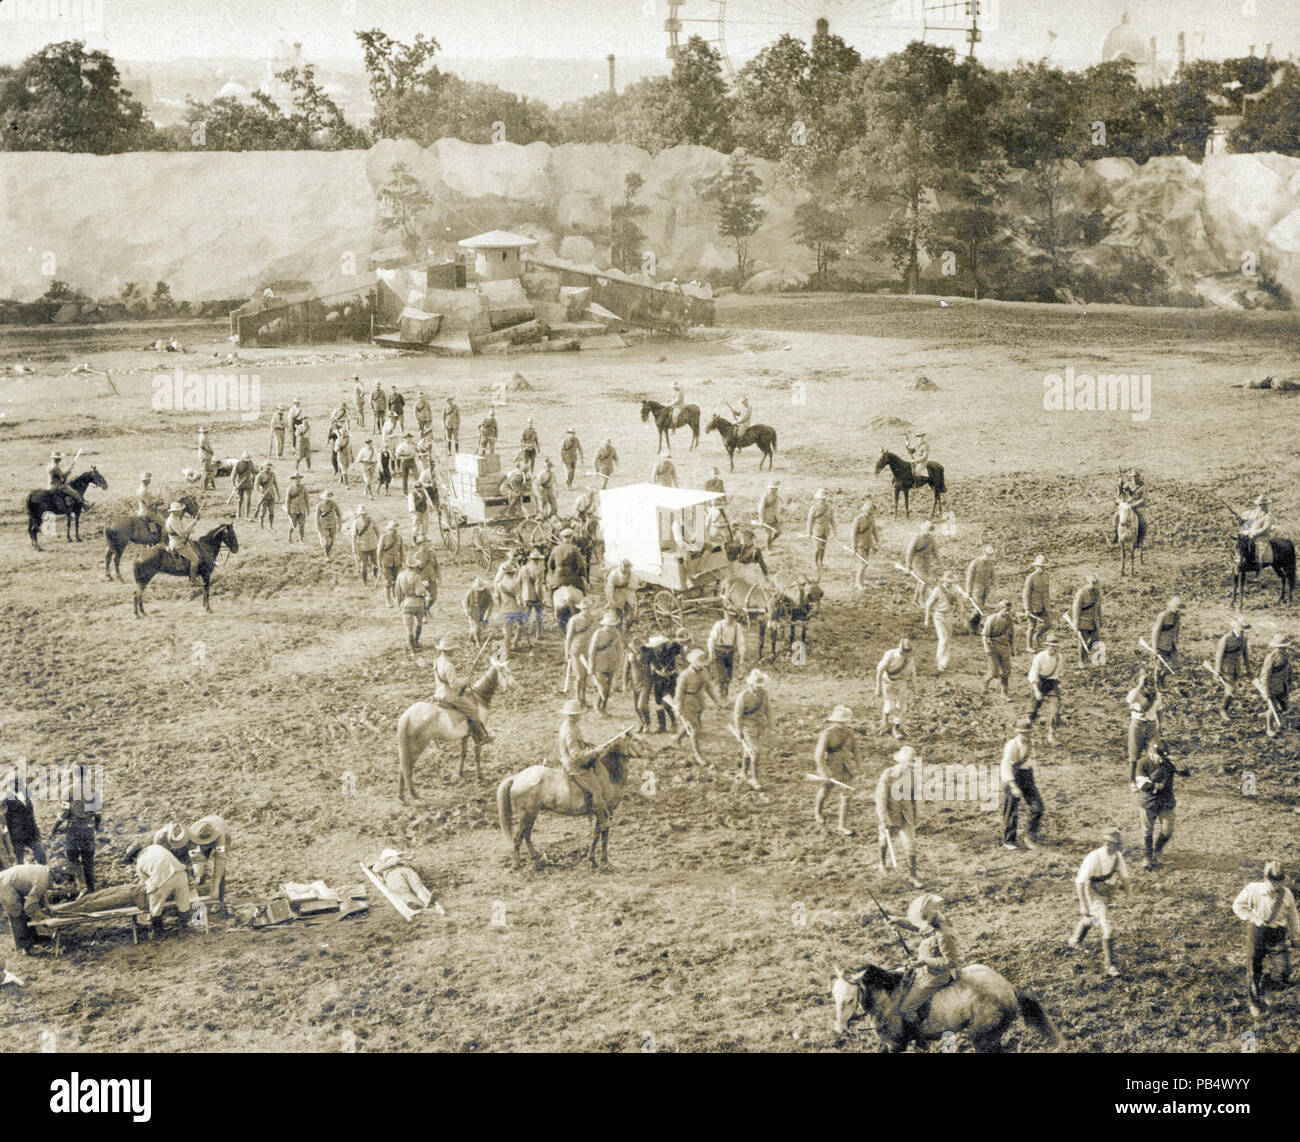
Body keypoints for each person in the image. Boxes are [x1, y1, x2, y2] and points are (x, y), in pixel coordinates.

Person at [1233, 859, 1299, 1016]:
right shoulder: (1253, 890)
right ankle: (1255, 1003)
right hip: (1258, 932)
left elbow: (1293, 917)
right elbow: (1237, 905)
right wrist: (1254, 917)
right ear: (1265, 879)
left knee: (1283, 971)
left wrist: (1295, 935)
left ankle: (1267, 986)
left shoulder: (1286, 894)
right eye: (1273, 881)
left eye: (1279, 881)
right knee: (1254, 967)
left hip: (1278, 933)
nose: (1276, 885)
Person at [1069, 827, 1131, 977]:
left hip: (1107, 892)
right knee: (1107, 926)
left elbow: (1124, 876)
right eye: (1116, 844)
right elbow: (1080, 882)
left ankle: (1075, 940)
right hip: (1093, 892)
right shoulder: (1093, 857)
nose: (1119, 847)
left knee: (1094, 918)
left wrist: (1129, 894)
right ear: (1107, 843)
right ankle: (1110, 965)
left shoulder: (1117, 856)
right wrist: (1083, 904)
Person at [893, 894, 960, 1033]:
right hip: (922, 970)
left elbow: (950, 961)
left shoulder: (944, 934)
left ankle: (922, 1036)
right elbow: (917, 926)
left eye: (924, 919)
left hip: (935, 976)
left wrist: (924, 961)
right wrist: (897, 921)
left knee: (906, 1009)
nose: (923, 923)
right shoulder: (932, 924)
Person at [1135, 743, 1190, 870]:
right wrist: (1156, 786)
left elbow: (1185, 774)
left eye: (1162, 756)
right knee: (1147, 831)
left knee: (1167, 830)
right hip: (1149, 802)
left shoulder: (1167, 763)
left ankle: (1158, 850)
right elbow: (1142, 784)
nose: (1160, 759)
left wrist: (1181, 765)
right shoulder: (1143, 763)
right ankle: (1148, 856)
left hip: (1166, 801)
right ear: (1150, 753)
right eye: (1158, 756)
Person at [876, 746, 923, 887]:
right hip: (890, 815)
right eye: (905, 765)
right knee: (884, 839)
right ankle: (882, 863)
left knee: (911, 844)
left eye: (910, 766)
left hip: (906, 816)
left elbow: (914, 798)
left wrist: (914, 815)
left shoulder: (913, 777)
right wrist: (883, 819)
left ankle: (912, 875)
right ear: (899, 763)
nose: (907, 769)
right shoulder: (888, 775)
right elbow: (880, 798)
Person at [558, 700, 611, 821]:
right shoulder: (570, 731)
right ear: (572, 716)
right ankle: (602, 820)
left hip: (571, 759)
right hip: (574, 765)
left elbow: (577, 744)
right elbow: (576, 755)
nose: (579, 716)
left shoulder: (570, 725)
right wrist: (595, 751)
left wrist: (587, 744)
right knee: (597, 789)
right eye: (577, 714)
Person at [433, 639, 492, 743]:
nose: (455, 652)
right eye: (453, 650)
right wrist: (465, 681)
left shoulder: (438, 661)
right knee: (474, 711)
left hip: (439, 692)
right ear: (448, 651)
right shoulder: (448, 665)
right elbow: (454, 684)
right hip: (450, 695)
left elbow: (445, 677)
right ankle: (481, 737)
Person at [50, 774, 100, 893]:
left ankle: (82, 886)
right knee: (88, 860)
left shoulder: (68, 790)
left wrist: (54, 829)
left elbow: (65, 813)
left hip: (74, 829)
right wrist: (96, 827)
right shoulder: (94, 791)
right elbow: (98, 815)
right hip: (88, 829)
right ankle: (91, 888)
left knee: (72, 859)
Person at [999, 718, 1042, 851]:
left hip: (1027, 777)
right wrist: (1013, 785)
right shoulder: (1012, 744)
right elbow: (1005, 765)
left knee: (1037, 808)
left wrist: (1032, 779)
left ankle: (1028, 837)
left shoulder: (1031, 744)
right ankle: (1009, 840)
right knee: (1011, 810)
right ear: (1017, 732)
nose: (1026, 735)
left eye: (1028, 732)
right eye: (1023, 732)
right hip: (1013, 777)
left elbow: (1031, 762)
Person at [813, 706, 857, 836]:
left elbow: (855, 750)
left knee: (847, 795)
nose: (842, 724)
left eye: (844, 721)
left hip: (847, 767)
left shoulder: (850, 733)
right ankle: (818, 811)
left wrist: (858, 765)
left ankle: (842, 825)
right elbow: (819, 755)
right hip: (831, 767)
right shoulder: (827, 734)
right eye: (839, 721)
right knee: (826, 790)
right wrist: (824, 771)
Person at [672, 648, 720, 765]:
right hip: (686, 702)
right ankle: (697, 754)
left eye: (703, 663)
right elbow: (679, 693)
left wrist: (717, 701)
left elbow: (709, 687)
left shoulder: (704, 672)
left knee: (694, 724)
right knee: (695, 729)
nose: (701, 665)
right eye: (699, 663)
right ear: (692, 662)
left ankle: (676, 739)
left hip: (698, 701)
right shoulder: (685, 675)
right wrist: (678, 707)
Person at [0, 863, 59, 954]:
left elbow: (40, 893)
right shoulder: (43, 880)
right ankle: (27, 947)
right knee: (16, 913)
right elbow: (29, 906)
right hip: (4, 884)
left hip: (9, 881)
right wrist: (41, 917)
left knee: (21, 911)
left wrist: (47, 907)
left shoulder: (45, 872)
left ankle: (33, 937)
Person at [135, 843, 194, 924]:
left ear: (134, 858)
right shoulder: (156, 847)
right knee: (183, 904)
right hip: (180, 873)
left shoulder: (138, 864)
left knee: (155, 907)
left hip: (163, 879)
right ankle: (184, 928)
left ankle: (158, 933)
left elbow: (148, 883)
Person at [731, 669, 771, 790]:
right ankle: (754, 778)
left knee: (748, 750)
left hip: (759, 726)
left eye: (761, 685)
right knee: (755, 752)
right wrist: (739, 731)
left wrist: (771, 725)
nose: (759, 688)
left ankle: (743, 772)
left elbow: (768, 710)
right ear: (751, 684)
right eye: (757, 686)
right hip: (747, 727)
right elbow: (738, 714)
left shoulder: (764, 694)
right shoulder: (743, 696)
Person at [1125, 670, 1162, 786]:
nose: (1152, 687)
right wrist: (1140, 684)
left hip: (1152, 726)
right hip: (1138, 725)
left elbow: (1160, 711)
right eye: (1149, 684)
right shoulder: (1135, 693)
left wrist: (1160, 725)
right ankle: (1132, 781)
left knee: (1153, 752)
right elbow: (1130, 700)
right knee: (1134, 754)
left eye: (1153, 684)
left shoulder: (1157, 695)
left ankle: (1147, 780)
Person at [875, 638, 917, 739]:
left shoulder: (910, 658)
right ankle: (885, 723)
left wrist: (914, 687)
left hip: (901, 682)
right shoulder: (890, 655)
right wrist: (878, 686)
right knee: (889, 704)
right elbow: (880, 670)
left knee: (901, 707)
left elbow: (913, 673)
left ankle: (897, 727)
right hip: (888, 681)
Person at [1212, 616, 1252, 722]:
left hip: (1236, 668)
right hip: (1225, 668)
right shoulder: (1226, 639)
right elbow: (1219, 655)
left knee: (1232, 690)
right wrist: (1217, 671)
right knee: (1231, 689)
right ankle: (1223, 710)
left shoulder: (1243, 639)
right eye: (1242, 629)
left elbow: (1245, 655)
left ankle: (1225, 709)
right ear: (1237, 627)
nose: (1244, 631)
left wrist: (1249, 670)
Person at [1027, 633, 1063, 745]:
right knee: (1033, 709)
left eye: (1056, 646)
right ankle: (1026, 733)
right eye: (1051, 646)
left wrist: (1058, 686)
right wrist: (1037, 691)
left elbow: (1057, 674)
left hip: (1051, 684)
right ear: (1047, 646)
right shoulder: (1040, 657)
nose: (1054, 649)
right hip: (1039, 683)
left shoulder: (1059, 658)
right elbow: (1033, 674)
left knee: (1055, 709)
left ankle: (1051, 735)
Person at [187, 815, 231, 904]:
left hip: (222, 834)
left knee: (220, 870)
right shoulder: (192, 834)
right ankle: (199, 890)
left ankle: (219, 898)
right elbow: (196, 858)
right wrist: (198, 876)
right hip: (202, 838)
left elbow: (220, 860)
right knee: (197, 869)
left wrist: (216, 885)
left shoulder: (220, 835)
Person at [586, 612, 624, 713]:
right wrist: (591, 665)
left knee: (608, 687)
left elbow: (620, 649)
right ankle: (597, 706)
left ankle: (604, 706)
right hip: (599, 664)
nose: (611, 627)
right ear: (605, 624)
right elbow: (592, 651)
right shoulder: (598, 633)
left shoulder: (616, 633)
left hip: (611, 664)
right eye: (609, 625)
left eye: (613, 625)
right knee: (602, 688)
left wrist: (620, 662)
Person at [565, 599, 599, 707]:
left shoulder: (593, 620)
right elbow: (568, 637)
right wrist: (567, 653)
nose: (586, 611)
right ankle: (577, 699)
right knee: (579, 676)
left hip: (588, 650)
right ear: (581, 609)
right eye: (584, 609)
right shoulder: (574, 620)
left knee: (586, 676)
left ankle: (583, 699)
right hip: (577, 650)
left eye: (588, 608)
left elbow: (596, 635)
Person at [3, 780, 46, 864]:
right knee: (19, 858)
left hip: (31, 831)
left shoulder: (25, 795)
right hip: (17, 834)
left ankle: (44, 869)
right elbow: (6, 818)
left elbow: (31, 813)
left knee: (40, 853)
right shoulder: (7, 799)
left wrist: (35, 829)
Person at [923, 573, 959, 673]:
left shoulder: (955, 590)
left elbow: (959, 603)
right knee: (943, 639)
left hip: (949, 615)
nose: (950, 584)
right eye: (948, 582)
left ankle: (945, 662)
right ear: (944, 581)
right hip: (938, 615)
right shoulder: (937, 590)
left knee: (948, 640)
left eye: (951, 582)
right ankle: (939, 663)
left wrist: (960, 616)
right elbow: (928, 605)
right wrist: (927, 619)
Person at [980, 600, 1015, 700]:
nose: (1007, 612)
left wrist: (1012, 648)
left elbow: (1011, 635)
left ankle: (1004, 693)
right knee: (994, 672)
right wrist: (986, 648)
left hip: (1004, 647)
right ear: (1000, 609)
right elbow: (984, 635)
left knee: (1006, 671)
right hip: (992, 646)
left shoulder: (1009, 620)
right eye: (1005, 610)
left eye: (1009, 610)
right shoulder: (991, 619)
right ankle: (985, 681)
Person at [707, 606, 745, 698]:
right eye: (728, 616)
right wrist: (711, 653)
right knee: (722, 676)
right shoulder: (718, 625)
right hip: (719, 652)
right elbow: (711, 639)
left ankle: (725, 693)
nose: (729, 618)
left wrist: (741, 657)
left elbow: (740, 642)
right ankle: (722, 696)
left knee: (729, 676)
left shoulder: (737, 627)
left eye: (732, 617)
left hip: (730, 653)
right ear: (725, 615)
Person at [1258, 634, 1292, 731]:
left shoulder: (1286, 655)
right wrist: (1266, 691)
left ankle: (1267, 713)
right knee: (1274, 708)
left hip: (1282, 686)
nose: (1283, 649)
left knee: (1284, 707)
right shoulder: (1271, 657)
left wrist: (1289, 682)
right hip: (1271, 686)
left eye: (1284, 647)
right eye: (1280, 647)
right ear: (1276, 647)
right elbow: (1265, 675)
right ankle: (1270, 728)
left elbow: (1289, 670)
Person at [165, 500, 202, 585]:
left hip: (180, 540)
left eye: (181, 510)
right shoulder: (172, 520)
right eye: (179, 510)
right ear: (174, 511)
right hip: (178, 544)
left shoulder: (175, 518)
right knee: (195, 560)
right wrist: (192, 525)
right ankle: (193, 580)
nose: (181, 511)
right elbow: (181, 533)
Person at [1071, 574, 1103, 666]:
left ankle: (1088, 652)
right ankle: (1082, 661)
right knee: (1082, 642)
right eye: (1093, 583)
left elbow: (1098, 607)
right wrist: (1075, 624)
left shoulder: (1097, 593)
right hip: (1083, 622)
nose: (1095, 586)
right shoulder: (1081, 593)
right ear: (1089, 583)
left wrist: (1101, 619)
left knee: (1096, 640)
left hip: (1094, 621)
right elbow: (1076, 609)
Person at [904, 521, 939, 606]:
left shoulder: (931, 538)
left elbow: (935, 550)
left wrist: (938, 561)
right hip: (916, 561)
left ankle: (915, 600)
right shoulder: (916, 538)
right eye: (927, 530)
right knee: (924, 581)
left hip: (926, 562)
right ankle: (921, 600)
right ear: (923, 529)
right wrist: (908, 565)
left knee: (921, 581)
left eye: (930, 531)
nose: (928, 532)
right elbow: (910, 552)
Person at [400, 559, 429, 656]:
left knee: (409, 628)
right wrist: (424, 588)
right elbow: (419, 592)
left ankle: (412, 650)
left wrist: (401, 603)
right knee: (419, 623)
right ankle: (416, 642)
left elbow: (397, 592)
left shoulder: (400, 576)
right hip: (417, 603)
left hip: (406, 603)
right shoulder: (417, 577)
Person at [964, 544, 995, 632]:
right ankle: (969, 623)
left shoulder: (990, 563)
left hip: (985, 590)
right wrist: (968, 591)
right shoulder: (975, 563)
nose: (988, 557)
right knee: (979, 607)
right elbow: (969, 578)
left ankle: (975, 626)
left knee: (981, 608)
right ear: (983, 553)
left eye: (990, 555)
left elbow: (992, 574)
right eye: (987, 555)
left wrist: (994, 584)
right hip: (976, 589)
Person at [1022, 555, 1051, 651]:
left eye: (1043, 566)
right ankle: (1029, 646)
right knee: (1031, 626)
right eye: (1040, 566)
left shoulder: (1046, 577)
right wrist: (1027, 609)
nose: (1042, 569)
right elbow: (1026, 594)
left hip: (1044, 606)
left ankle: (1037, 637)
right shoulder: (1031, 577)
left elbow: (1047, 592)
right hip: (1033, 606)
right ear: (1035, 566)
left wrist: (1048, 606)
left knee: (1048, 624)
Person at [850, 499, 880, 589]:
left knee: (864, 563)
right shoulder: (858, 519)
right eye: (868, 512)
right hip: (860, 545)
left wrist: (877, 542)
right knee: (864, 563)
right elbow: (853, 534)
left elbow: (874, 531)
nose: (870, 514)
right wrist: (853, 547)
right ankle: (858, 583)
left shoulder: (871, 519)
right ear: (864, 511)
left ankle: (860, 580)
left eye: (871, 513)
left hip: (868, 544)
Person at [1150, 596, 1182, 679]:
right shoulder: (1163, 616)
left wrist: (1177, 644)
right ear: (1171, 606)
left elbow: (1176, 630)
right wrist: (1155, 648)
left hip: (1171, 644)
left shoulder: (1178, 616)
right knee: (1159, 667)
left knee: (1174, 666)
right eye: (1176, 608)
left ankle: (1165, 682)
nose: (1178, 610)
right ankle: (1157, 686)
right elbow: (1155, 632)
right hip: (1161, 645)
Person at [548, 529, 586, 594]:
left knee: (550, 593)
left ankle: (551, 603)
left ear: (562, 538)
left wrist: (554, 573)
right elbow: (581, 566)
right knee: (583, 592)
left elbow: (550, 565)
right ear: (571, 537)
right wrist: (583, 577)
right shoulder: (574, 549)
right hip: (573, 579)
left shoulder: (555, 548)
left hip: (558, 578)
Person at [520, 547, 547, 641]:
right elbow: (538, 587)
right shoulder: (540, 570)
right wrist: (541, 599)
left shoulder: (523, 568)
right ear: (538, 560)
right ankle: (539, 633)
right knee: (539, 615)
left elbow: (518, 582)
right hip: (535, 597)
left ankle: (523, 634)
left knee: (526, 615)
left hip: (525, 596)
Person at [806, 489, 836, 571]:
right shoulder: (814, 507)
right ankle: (815, 563)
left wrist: (835, 531)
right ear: (818, 498)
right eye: (821, 498)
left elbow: (832, 520)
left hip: (825, 530)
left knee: (823, 548)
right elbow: (810, 520)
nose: (823, 500)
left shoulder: (830, 508)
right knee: (817, 548)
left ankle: (821, 562)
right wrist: (809, 532)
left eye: (824, 498)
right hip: (817, 529)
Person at [377, 520, 405, 605]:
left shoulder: (399, 537)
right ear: (388, 530)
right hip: (386, 563)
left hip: (396, 562)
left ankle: (395, 597)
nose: (393, 531)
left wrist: (402, 561)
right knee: (387, 583)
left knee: (396, 581)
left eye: (394, 529)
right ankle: (388, 600)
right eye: (391, 529)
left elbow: (402, 551)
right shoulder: (384, 537)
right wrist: (379, 565)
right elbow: (379, 552)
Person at [1241, 495, 1274, 565]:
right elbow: (1249, 521)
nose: (1260, 506)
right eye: (1259, 505)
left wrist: (1254, 533)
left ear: (1265, 505)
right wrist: (1246, 528)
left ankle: (1258, 565)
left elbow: (1265, 528)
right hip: (1251, 533)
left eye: (1262, 505)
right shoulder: (1255, 513)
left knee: (1259, 549)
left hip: (1262, 536)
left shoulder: (1268, 515)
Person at [351, 504, 380, 584]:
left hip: (373, 545)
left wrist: (379, 542)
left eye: (364, 514)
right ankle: (365, 581)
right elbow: (353, 536)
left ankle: (375, 578)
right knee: (363, 565)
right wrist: (354, 547)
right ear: (359, 514)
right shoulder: (355, 523)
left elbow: (377, 532)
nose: (363, 515)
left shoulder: (372, 521)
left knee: (375, 563)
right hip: (362, 547)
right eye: (361, 514)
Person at [605, 558, 637, 626]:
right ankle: (618, 625)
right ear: (620, 567)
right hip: (616, 591)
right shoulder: (613, 575)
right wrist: (611, 600)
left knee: (631, 607)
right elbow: (609, 589)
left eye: (627, 568)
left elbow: (633, 585)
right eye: (624, 568)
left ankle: (629, 622)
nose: (626, 569)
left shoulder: (630, 572)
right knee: (617, 610)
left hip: (626, 590)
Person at [464, 577, 494, 644]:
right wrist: (467, 610)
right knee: (476, 627)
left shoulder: (487, 592)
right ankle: (478, 642)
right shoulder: (470, 592)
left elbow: (491, 603)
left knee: (480, 626)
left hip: (482, 611)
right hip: (473, 610)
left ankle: (471, 639)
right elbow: (465, 602)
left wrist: (487, 614)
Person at [315, 489, 343, 560]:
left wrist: (340, 525)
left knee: (332, 541)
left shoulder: (333, 504)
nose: (328, 499)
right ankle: (327, 555)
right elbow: (317, 517)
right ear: (323, 498)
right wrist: (318, 527)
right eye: (326, 497)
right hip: (324, 525)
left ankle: (328, 552)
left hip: (333, 525)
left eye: (329, 497)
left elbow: (339, 514)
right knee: (326, 541)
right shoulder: (319, 505)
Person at [284, 473, 309, 544]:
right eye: (296, 478)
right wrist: (288, 510)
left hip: (302, 508)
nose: (298, 480)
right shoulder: (290, 488)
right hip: (293, 509)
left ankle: (301, 539)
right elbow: (287, 500)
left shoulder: (304, 488)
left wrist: (308, 508)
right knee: (293, 524)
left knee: (302, 524)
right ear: (294, 480)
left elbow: (306, 498)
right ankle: (289, 538)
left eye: (299, 478)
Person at [232, 450, 256, 518]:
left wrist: (253, 483)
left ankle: (247, 515)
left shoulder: (251, 463)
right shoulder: (238, 464)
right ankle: (238, 514)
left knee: (248, 499)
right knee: (240, 499)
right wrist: (234, 485)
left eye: (248, 459)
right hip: (240, 484)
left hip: (248, 483)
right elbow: (233, 476)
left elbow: (253, 473)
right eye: (246, 459)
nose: (247, 460)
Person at [758, 481, 781, 552]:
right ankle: (769, 549)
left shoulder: (776, 495)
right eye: (774, 488)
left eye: (776, 488)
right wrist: (761, 520)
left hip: (774, 517)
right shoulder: (765, 496)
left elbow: (777, 506)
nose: (776, 490)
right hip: (766, 518)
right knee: (768, 534)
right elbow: (760, 508)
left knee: (778, 532)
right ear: (771, 488)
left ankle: (769, 543)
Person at [408, 474, 431, 543]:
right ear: (415, 488)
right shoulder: (412, 494)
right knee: (416, 525)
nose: (419, 489)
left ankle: (424, 537)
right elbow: (411, 503)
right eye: (417, 488)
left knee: (425, 524)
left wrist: (431, 506)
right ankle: (414, 540)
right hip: (417, 511)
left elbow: (428, 499)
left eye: (420, 487)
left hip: (424, 510)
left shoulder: (424, 492)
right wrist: (413, 511)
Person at [334, 422, 353, 487]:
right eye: (342, 432)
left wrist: (352, 456)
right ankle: (346, 484)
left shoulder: (348, 440)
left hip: (348, 457)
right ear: (340, 433)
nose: (344, 433)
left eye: (345, 432)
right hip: (341, 457)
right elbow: (335, 450)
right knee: (344, 470)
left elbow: (350, 449)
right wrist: (339, 448)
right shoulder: (338, 441)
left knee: (345, 469)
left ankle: (341, 479)